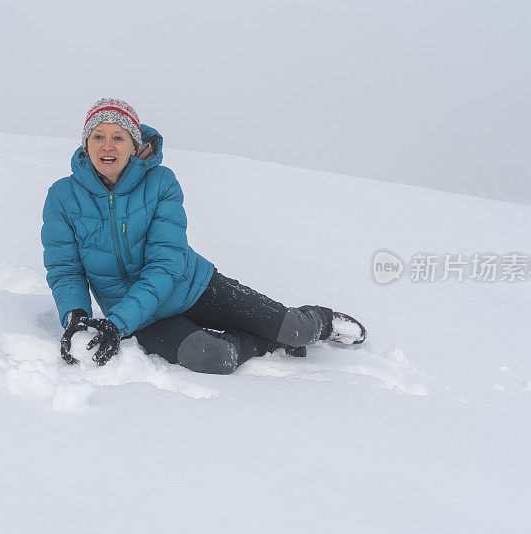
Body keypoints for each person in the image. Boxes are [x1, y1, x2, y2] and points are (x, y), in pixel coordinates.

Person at [41, 98, 366, 374]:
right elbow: (66, 271)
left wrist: (116, 325)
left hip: (194, 286)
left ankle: (320, 321)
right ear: (86, 144)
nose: (107, 146)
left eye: (118, 137)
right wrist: (76, 319)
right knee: (214, 357)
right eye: (98, 136)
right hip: (139, 316)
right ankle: (265, 342)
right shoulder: (62, 197)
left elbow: (164, 266)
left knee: (294, 329)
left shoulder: (161, 184)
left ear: (135, 145)